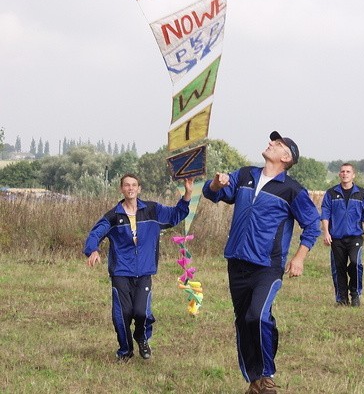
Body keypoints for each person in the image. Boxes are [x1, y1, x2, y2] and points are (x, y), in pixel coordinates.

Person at [202, 131, 321, 394]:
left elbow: (312, 225)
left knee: (257, 315)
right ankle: (255, 381)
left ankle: (267, 376)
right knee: (244, 321)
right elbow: (213, 194)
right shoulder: (245, 175)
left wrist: (299, 258)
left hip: (268, 265)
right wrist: (216, 184)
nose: (270, 144)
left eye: (277, 144)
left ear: (286, 157)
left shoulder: (292, 190)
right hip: (237, 261)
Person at [84, 173, 192, 361]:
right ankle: (125, 351)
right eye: (127, 185)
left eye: (134, 185)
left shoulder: (152, 210)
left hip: (144, 271)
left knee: (142, 312)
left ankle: (142, 338)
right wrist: (92, 250)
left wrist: (187, 195)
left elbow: (176, 215)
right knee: (122, 314)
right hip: (121, 272)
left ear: (139, 189)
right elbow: (95, 233)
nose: (131, 188)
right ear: (121, 189)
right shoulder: (113, 215)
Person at [320, 163, 364, 307]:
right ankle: (341, 299)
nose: (345, 174)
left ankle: (355, 294)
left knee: (356, 264)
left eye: (348, 171)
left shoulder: (361, 194)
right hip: (336, 237)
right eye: (342, 171)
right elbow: (325, 214)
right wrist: (326, 232)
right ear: (339, 174)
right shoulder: (331, 193)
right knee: (339, 268)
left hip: (355, 236)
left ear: (353, 175)